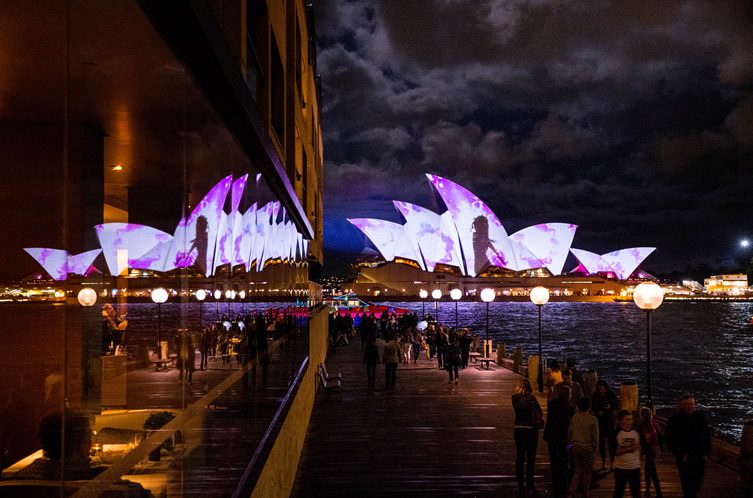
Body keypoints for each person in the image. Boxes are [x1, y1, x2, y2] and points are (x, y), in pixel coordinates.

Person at [14, 411, 94, 480]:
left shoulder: (21, 477)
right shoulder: (89, 479)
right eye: (88, 437)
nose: (91, 444)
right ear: (80, 442)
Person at [665, 394, 710, 498]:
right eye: (687, 404)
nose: (690, 406)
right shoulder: (675, 420)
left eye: (692, 404)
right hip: (685, 458)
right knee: (688, 485)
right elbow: (669, 439)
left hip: (699, 457)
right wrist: (679, 453)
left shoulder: (700, 418)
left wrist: (706, 453)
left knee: (698, 483)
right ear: (681, 406)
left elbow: (707, 437)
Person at [512, 379, 543, 497]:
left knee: (520, 457)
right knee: (531, 459)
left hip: (519, 430)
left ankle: (520, 486)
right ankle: (530, 484)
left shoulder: (514, 398)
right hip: (531, 431)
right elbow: (539, 412)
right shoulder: (532, 398)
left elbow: (518, 410)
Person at [544, 384, 574, 496]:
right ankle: (563, 484)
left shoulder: (552, 404)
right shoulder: (569, 408)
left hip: (551, 436)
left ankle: (555, 481)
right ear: (568, 396)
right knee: (563, 459)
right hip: (563, 438)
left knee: (553, 459)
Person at [569, 397, 599, 498]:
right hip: (587, 449)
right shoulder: (593, 419)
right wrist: (595, 449)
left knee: (578, 471)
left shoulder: (575, 417)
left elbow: (570, 432)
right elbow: (595, 437)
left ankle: (572, 492)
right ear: (589, 407)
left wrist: (571, 444)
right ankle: (584, 494)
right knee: (587, 473)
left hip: (576, 447)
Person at [612, 410, 644, 498]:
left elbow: (642, 448)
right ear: (621, 420)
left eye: (631, 419)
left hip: (634, 467)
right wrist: (630, 448)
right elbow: (614, 452)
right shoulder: (616, 433)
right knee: (618, 492)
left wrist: (640, 462)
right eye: (627, 419)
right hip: (620, 468)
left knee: (636, 493)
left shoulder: (637, 432)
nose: (630, 422)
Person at [591, 380, 618, 470]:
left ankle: (612, 462)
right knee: (601, 443)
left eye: (603, 389)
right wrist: (597, 412)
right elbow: (593, 406)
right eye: (600, 389)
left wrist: (610, 407)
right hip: (600, 422)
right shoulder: (595, 395)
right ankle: (603, 462)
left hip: (609, 421)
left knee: (612, 443)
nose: (602, 391)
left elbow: (616, 404)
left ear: (606, 388)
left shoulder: (611, 394)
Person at [639, 407, 663, 498]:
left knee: (651, 471)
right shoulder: (655, 425)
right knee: (649, 470)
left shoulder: (642, 426)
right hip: (656, 449)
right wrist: (661, 451)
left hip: (650, 450)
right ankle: (649, 491)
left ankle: (657, 492)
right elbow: (660, 438)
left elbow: (644, 441)